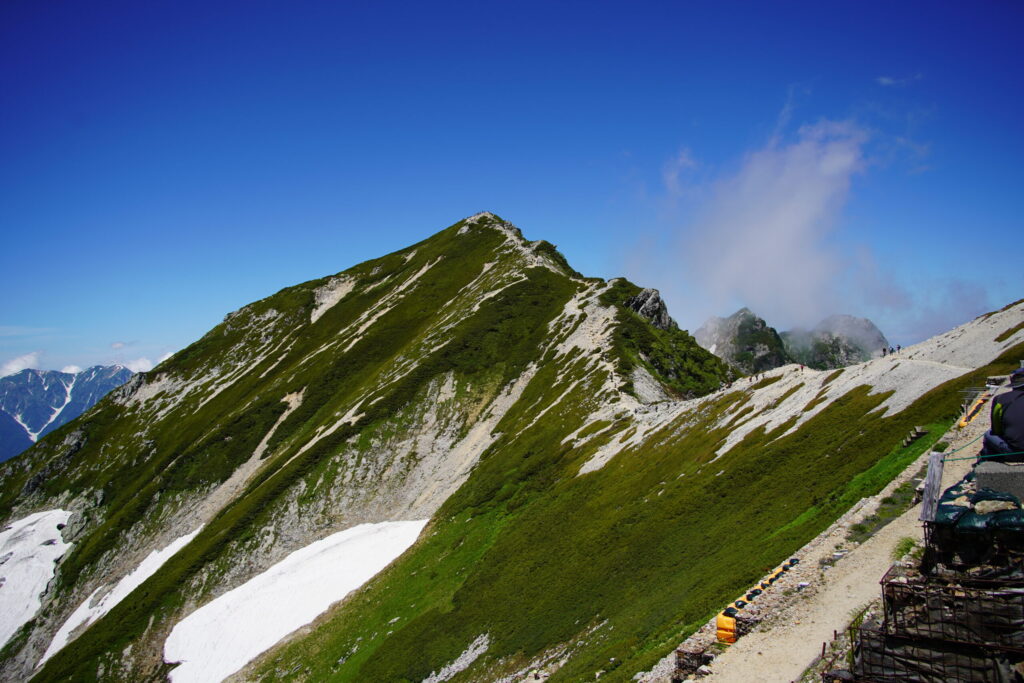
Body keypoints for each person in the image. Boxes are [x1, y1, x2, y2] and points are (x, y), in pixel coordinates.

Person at [984, 368, 1024, 459]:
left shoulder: (1000, 399)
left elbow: (997, 430)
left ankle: (988, 463)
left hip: (1014, 453)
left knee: (988, 434)